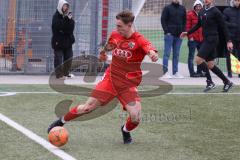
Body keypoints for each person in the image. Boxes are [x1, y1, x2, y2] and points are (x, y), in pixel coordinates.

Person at [48, 10, 159, 144]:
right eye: (116, 26)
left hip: (128, 85)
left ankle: (125, 130)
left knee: (135, 117)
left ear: (129, 25)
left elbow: (149, 49)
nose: (117, 29)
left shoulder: (139, 40)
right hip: (111, 79)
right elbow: (109, 46)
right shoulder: (115, 35)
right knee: (87, 108)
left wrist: (153, 54)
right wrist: (104, 53)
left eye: (120, 26)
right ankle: (61, 121)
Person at [180, 0, 234, 92]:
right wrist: (188, 32)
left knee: (198, 60)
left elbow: (224, 26)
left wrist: (229, 41)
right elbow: (198, 25)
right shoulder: (202, 10)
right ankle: (227, 82)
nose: (205, 0)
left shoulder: (216, 11)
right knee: (210, 65)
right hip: (206, 39)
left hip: (212, 39)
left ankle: (210, 82)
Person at [161, 0, 186, 78]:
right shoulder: (167, 8)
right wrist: (167, 31)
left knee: (176, 54)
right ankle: (165, 72)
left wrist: (183, 31)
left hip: (179, 35)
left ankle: (175, 72)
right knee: (167, 54)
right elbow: (163, 20)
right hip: (169, 35)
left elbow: (185, 21)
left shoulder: (182, 8)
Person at [51, 0, 75, 79]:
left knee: (69, 57)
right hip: (58, 41)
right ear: (60, 6)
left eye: (67, 6)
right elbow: (58, 27)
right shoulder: (56, 16)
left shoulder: (68, 15)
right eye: (64, 6)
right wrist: (66, 20)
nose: (65, 8)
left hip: (68, 41)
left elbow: (71, 28)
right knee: (58, 58)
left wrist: (69, 21)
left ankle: (66, 73)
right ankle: (58, 74)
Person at [186, 0, 205, 77]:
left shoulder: (203, 14)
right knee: (191, 56)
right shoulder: (190, 14)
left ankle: (199, 71)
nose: (198, 8)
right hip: (193, 39)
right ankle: (192, 73)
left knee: (200, 56)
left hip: (201, 39)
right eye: (197, 6)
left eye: (199, 6)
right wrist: (190, 37)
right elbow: (187, 27)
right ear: (194, 7)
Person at [223, 0, 240, 78]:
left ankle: (239, 72)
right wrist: (232, 25)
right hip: (230, 36)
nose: (237, 2)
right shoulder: (227, 10)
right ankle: (229, 72)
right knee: (230, 55)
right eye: (236, 0)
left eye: (239, 1)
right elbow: (223, 22)